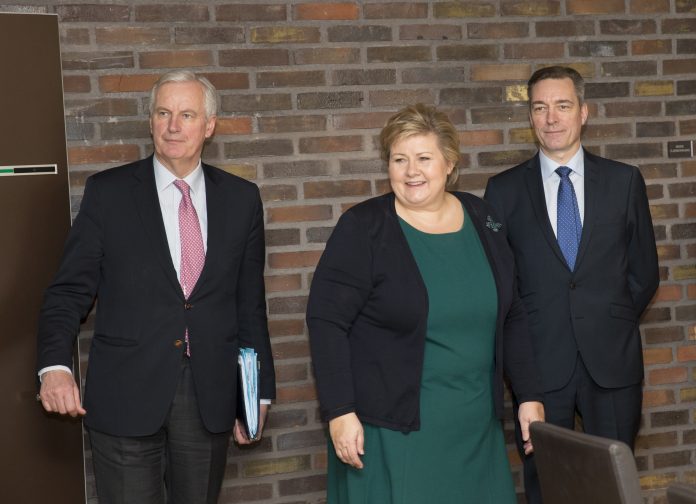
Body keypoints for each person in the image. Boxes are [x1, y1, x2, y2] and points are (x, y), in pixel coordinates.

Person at [36, 70, 275, 504]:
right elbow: (68, 292)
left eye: (187, 115)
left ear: (209, 125)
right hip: (125, 393)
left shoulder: (242, 199)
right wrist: (55, 367)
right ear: (150, 122)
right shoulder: (108, 194)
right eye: (163, 113)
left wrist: (257, 391)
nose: (173, 126)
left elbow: (249, 305)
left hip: (208, 394)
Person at [307, 103, 544, 503]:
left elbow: (512, 314)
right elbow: (326, 320)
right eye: (399, 159)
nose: (410, 171)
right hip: (393, 432)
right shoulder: (364, 228)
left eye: (423, 158)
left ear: (449, 163)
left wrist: (529, 395)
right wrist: (339, 410)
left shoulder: (483, 218)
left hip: (475, 427)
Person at [484, 66, 659, 504]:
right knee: (547, 486)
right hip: (540, 368)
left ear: (583, 112)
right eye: (539, 108)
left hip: (612, 363)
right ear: (530, 116)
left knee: (614, 486)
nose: (551, 118)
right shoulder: (503, 191)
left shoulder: (624, 181)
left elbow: (643, 273)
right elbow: (501, 283)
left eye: (562, 106)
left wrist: (609, 319)